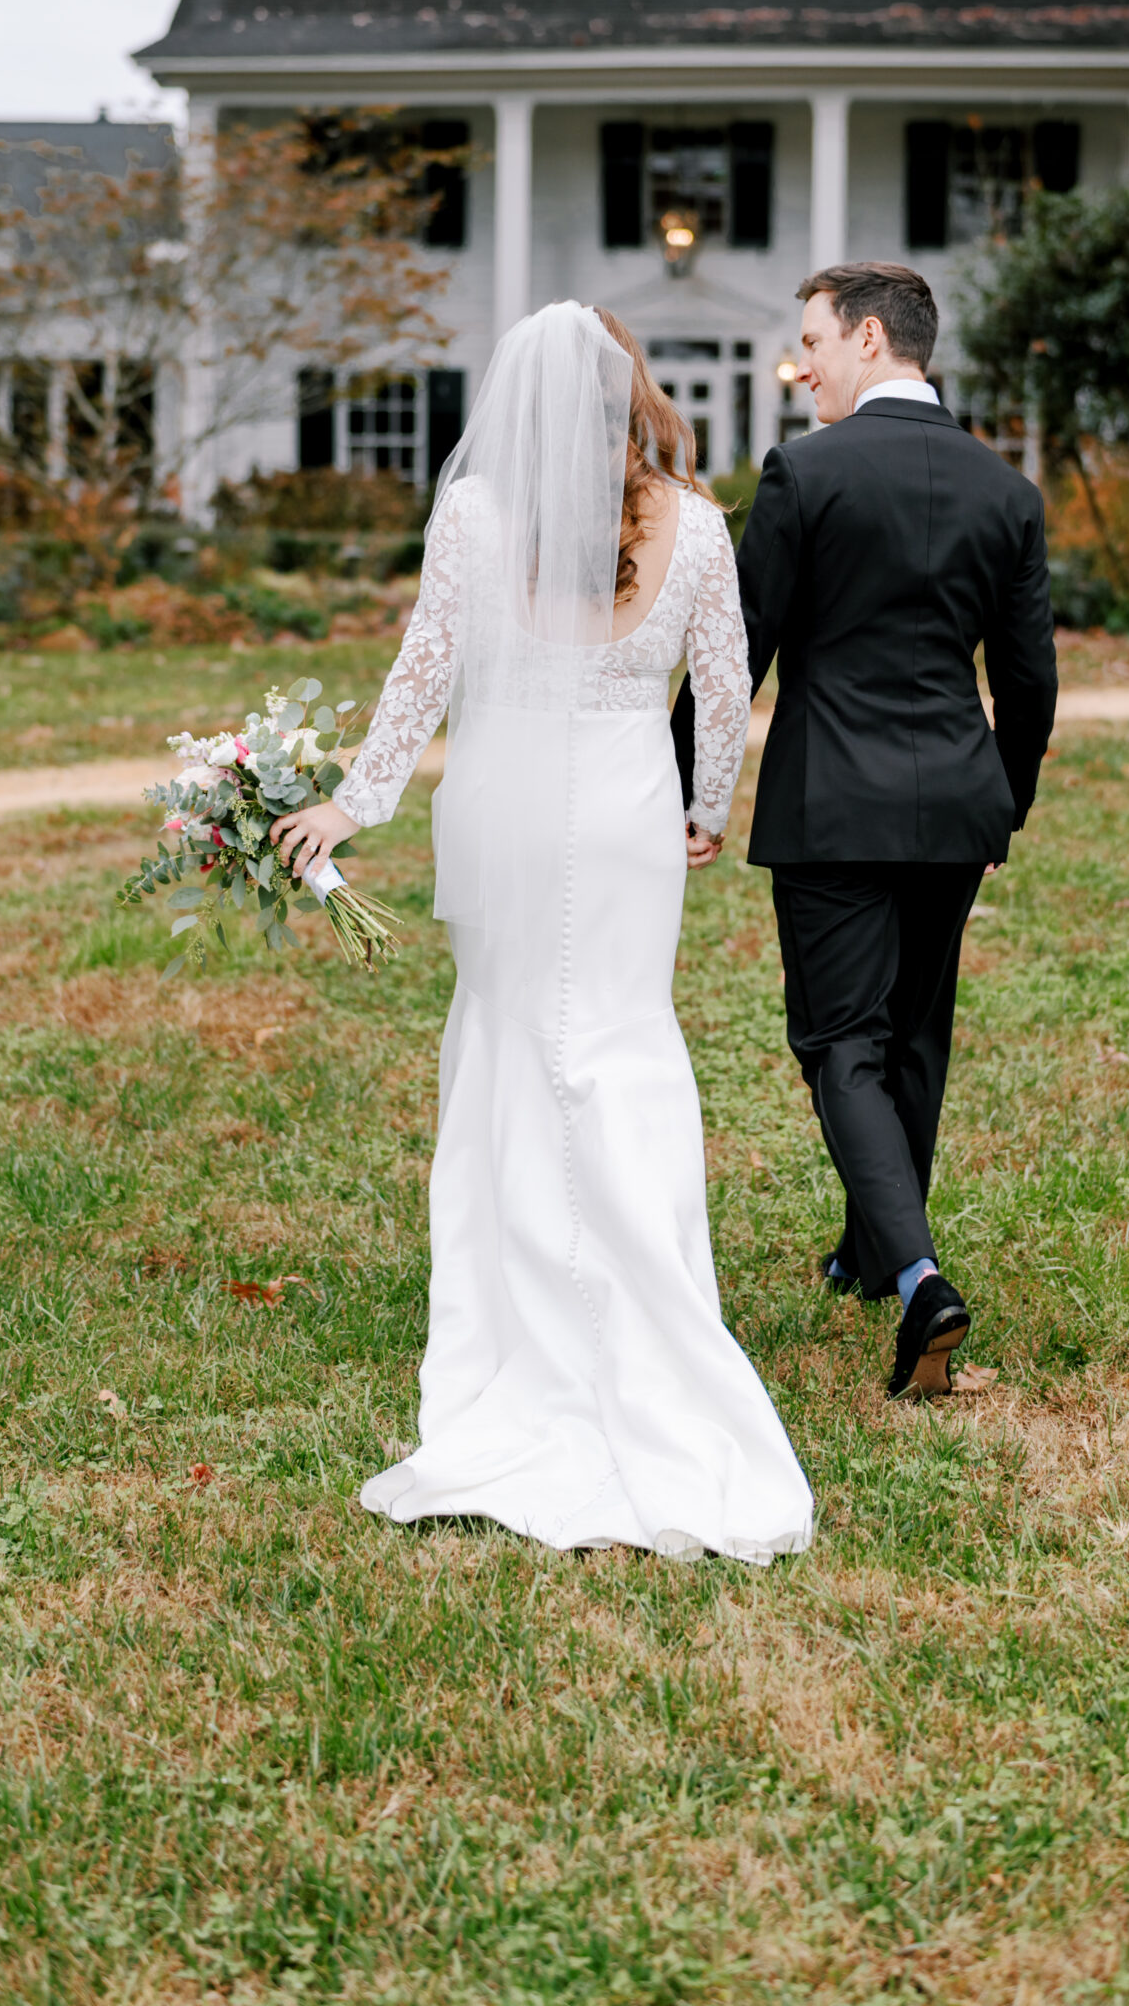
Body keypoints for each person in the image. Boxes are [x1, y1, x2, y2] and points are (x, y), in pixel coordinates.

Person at [273, 302, 812, 1564]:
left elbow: (424, 671)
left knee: (515, 1041)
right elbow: (729, 687)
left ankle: (523, 1309)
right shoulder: (700, 526)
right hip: (628, 817)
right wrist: (702, 803)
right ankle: (648, 1291)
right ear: (631, 394)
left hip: (509, 816)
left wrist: (359, 803)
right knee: (622, 1038)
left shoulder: (473, 517)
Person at [673, 262, 1057, 1401]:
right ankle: (865, 1248)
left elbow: (735, 653)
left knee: (841, 1043)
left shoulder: (807, 472)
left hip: (833, 805)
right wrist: (1008, 798)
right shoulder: (1006, 491)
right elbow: (1029, 682)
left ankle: (920, 1276)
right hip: (956, 804)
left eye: (814, 344)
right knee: (913, 1036)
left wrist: (685, 778)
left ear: (874, 341)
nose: (805, 368)